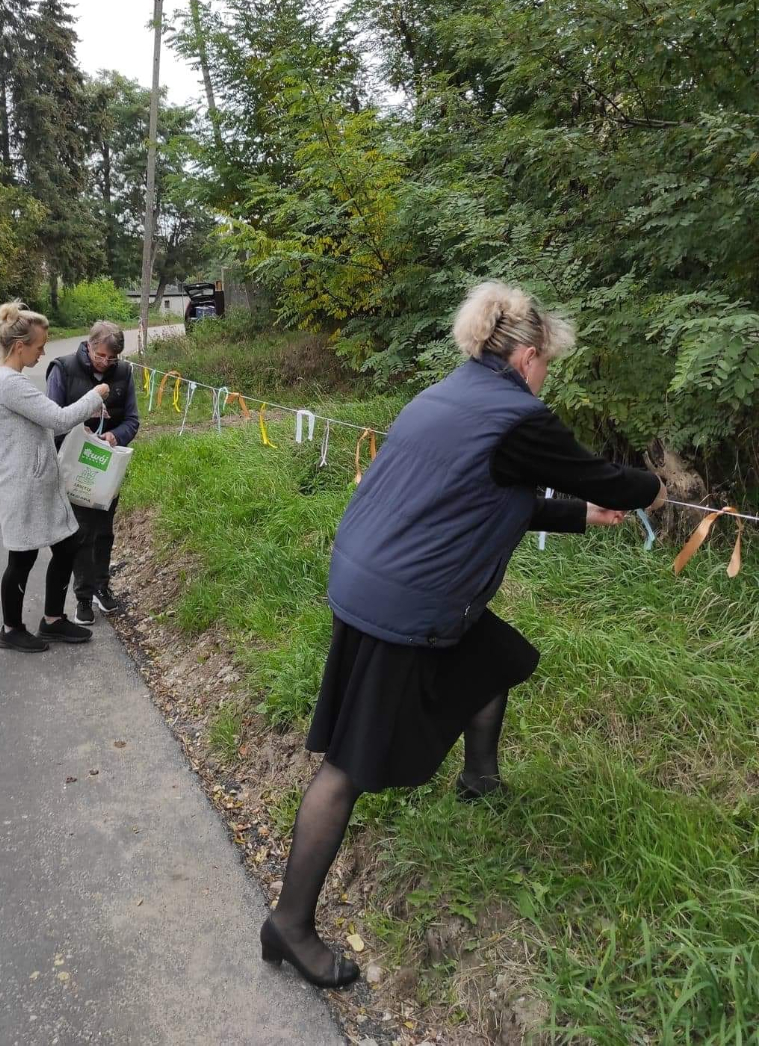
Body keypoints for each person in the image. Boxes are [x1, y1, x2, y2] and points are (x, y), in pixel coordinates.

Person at [260, 281, 667, 990]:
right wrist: (653, 490)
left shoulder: (447, 395)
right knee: (348, 766)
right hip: (405, 599)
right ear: (529, 356)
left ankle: (480, 778)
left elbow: (484, 492)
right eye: (548, 364)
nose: (546, 378)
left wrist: (578, 516)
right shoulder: (518, 416)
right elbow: (606, 478)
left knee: (494, 659)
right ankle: (289, 925)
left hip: (372, 575)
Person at [0, 301, 110, 654]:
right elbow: (57, 418)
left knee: (67, 545)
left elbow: (43, 422)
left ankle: (53, 620)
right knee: (21, 559)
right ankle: (11, 629)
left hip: (37, 483)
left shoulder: (11, 379)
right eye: (39, 347)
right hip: (22, 486)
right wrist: (96, 395)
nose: (42, 353)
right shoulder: (9, 383)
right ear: (19, 346)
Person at [46, 322, 140, 625]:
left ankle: (101, 586)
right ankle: (83, 597)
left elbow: (132, 420)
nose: (106, 363)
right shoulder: (63, 369)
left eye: (112, 358)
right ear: (89, 346)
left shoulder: (123, 373)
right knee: (82, 531)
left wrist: (116, 436)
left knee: (105, 530)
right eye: (101, 356)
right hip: (75, 464)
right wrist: (79, 433)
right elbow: (52, 419)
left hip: (107, 465)